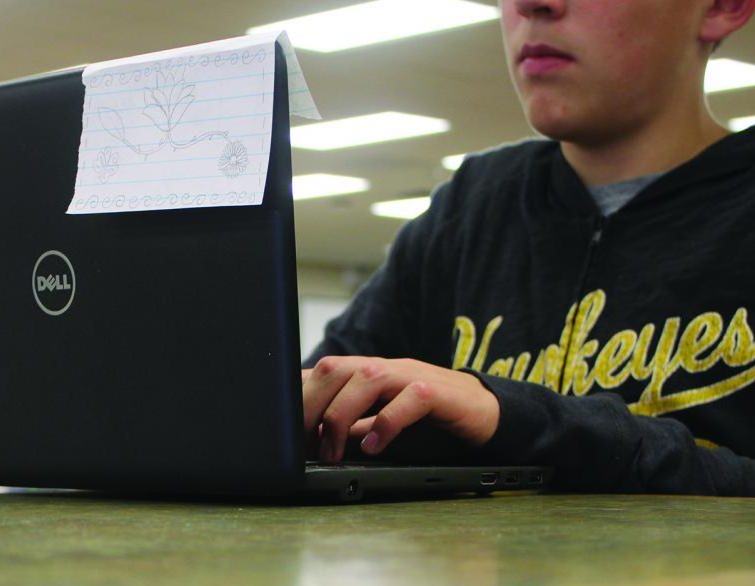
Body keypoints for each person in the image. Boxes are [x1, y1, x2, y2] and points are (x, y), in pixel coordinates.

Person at [302, 0, 755, 495]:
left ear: (722, 7)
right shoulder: (470, 207)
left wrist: (514, 418)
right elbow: (316, 400)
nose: (532, 4)